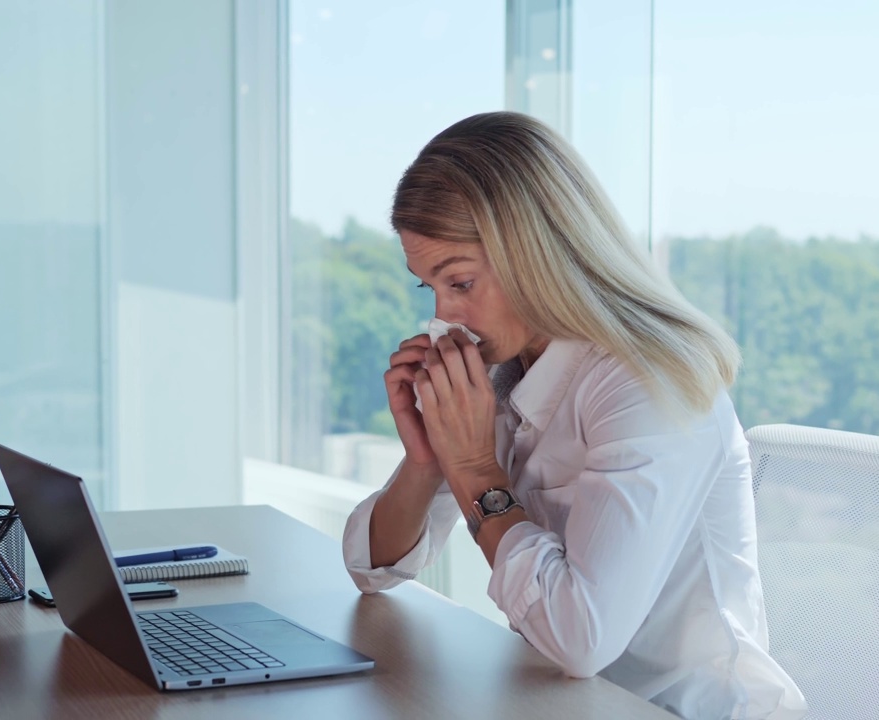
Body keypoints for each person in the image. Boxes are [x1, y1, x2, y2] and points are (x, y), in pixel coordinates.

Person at [341, 111, 806, 720]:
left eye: (459, 282)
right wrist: (429, 460)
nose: (445, 315)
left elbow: (581, 639)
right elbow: (371, 570)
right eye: (430, 288)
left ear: (535, 253)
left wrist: (477, 468)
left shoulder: (647, 384)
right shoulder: (511, 369)